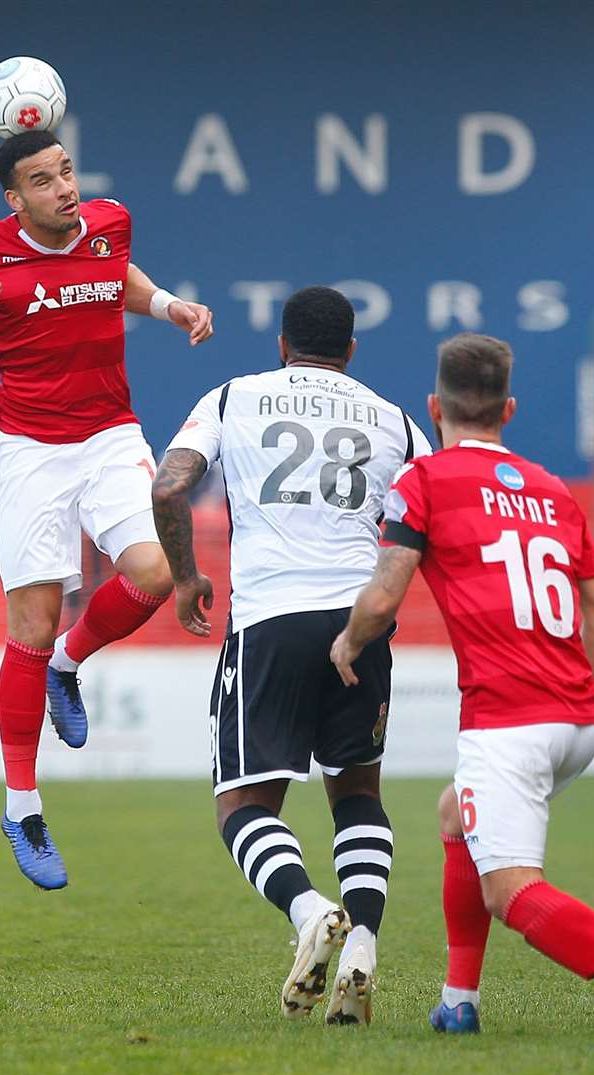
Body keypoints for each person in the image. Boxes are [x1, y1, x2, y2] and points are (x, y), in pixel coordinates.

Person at [330, 333, 594, 1048]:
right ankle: (457, 1001)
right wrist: (567, 693)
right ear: (509, 408)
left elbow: (381, 599)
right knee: (453, 816)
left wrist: (346, 644)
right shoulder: (554, 490)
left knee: (509, 890)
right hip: (574, 720)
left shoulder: (425, 480)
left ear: (433, 407)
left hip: (510, 723)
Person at [0, 129, 214, 889]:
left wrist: (166, 304)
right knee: (27, 622)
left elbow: (112, 274)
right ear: (14, 198)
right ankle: (22, 806)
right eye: (43, 179)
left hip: (110, 434)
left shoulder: (108, 222)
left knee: (156, 574)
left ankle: (68, 663)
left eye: (66, 172)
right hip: (30, 451)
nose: (64, 188)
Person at [152, 287, 429, 1025]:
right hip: (360, 622)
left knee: (241, 804)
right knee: (357, 791)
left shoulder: (233, 396)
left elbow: (169, 484)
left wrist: (184, 577)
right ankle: (363, 943)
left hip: (271, 620)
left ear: (281, 344)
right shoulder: (395, 419)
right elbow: (432, 512)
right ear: (351, 351)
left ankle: (309, 912)